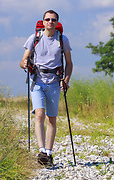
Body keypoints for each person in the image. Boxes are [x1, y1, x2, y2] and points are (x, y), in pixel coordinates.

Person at [20, 10, 73, 166]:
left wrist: (66, 79)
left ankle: (49, 153)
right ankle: (41, 151)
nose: (50, 22)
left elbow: (69, 63)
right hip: (37, 81)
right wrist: (24, 63)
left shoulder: (62, 40)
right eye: (47, 19)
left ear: (57, 22)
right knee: (39, 114)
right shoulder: (34, 38)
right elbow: (23, 59)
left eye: (53, 19)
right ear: (43, 22)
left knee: (51, 118)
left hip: (55, 82)